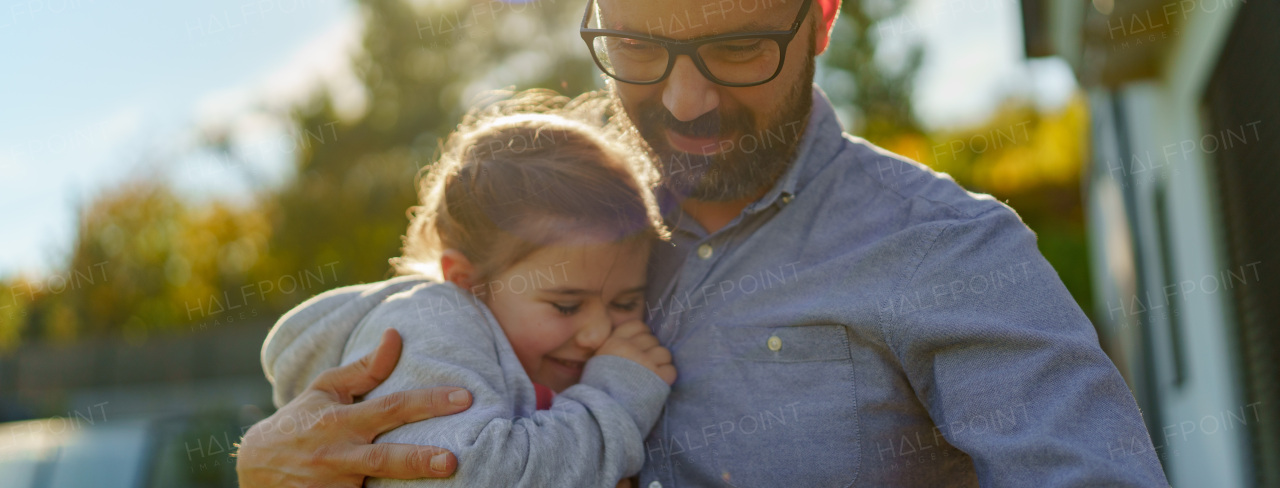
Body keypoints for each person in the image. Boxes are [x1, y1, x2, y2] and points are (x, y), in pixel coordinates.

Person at [237, 0, 1172, 485]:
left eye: (737, 49)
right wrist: (272, 468)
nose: (687, 104)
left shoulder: (949, 252)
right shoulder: (554, 219)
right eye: (640, 47)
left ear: (821, 17)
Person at [247, 105, 676, 487]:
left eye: (625, 302)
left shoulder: (539, 360)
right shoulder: (426, 323)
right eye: (566, 305)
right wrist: (616, 401)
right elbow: (462, 474)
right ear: (467, 281)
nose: (599, 333)